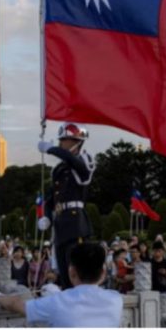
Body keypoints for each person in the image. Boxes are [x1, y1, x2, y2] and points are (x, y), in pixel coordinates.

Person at [0, 243, 122, 327]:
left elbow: (15, 304)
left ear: (72, 271)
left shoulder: (57, 301)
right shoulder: (116, 299)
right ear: (103, 273)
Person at [36, 123, 95, 289]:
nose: (61, 142)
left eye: (65, 140)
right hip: (60, 222)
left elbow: (77, 165)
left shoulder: (85, 159)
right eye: (61, 140)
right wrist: (46, 216)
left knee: (76, 271)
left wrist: (51, 149)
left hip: (75, 222)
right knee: (64, 271)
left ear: (77, 141)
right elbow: (50, 198)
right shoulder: (59, 169)